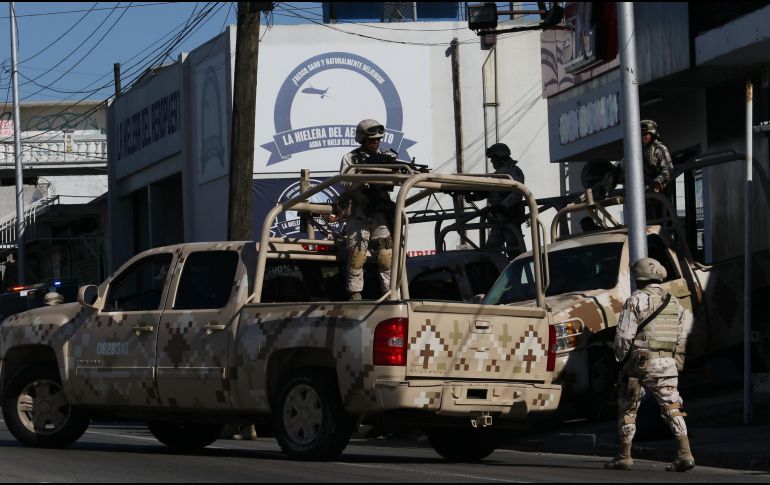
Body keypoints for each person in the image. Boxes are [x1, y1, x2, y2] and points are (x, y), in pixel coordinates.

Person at [605, 257, 695, 472]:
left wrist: (620, 361)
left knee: (628, 404)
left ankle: (624, 455)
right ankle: (685, 453)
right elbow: (682, 335)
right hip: (667, 362)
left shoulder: (635, 300)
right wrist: (677, 360)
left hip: (640, 363)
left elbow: (624, 337)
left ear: (638, 278)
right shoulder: (674, 302)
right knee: (672, 405)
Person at [336, 119, 396, 301]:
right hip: (359, 211)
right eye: (371, 140)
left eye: (378, 139)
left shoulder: (387, 157)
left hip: (380, 212)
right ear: (362, 140)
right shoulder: (351, 158)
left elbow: (397, 179)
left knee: (386, 256)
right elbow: (345, 183)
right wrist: (365, 175)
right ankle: (355, 294)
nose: (376, 142)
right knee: (357, 254)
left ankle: (390, 293)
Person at [468, 143, 526, 256]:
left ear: (500, 157)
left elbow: (517, 192)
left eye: (493, 158)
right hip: (497, 220)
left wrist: (503, 206)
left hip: (510, 218)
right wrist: (473, 196)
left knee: (515, 250)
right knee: (490, 250)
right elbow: (489, 191)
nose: (491, 161)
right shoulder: (498, 174)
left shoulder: (514, 172)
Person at [596, 119, 674, 197]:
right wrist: (608, 184)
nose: (642, 137)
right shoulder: (636, 151)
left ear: (653, 134)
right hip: (639, 189)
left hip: (656, 189)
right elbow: (620, 171)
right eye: (640, 135)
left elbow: (668, 170)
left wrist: (658, 181)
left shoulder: (659, 149)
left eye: (645, 134)